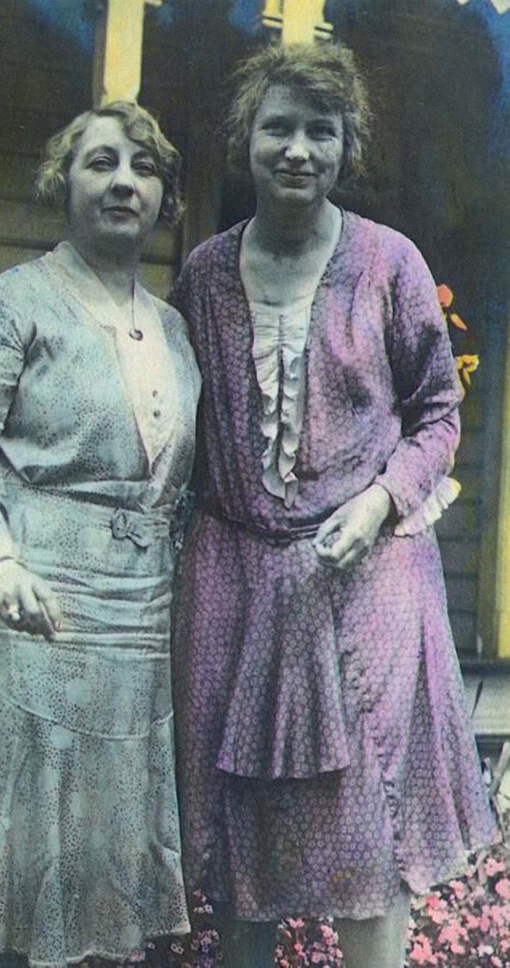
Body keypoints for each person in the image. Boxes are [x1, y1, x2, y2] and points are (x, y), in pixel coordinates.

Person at [170, 43, 498, 968]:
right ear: (248, 139)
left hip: (367, 578)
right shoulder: (201, 275)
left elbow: (438, 414)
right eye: (279, 127)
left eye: (322, 130)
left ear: (347, 146)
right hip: (237, 582)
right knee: (239, 831)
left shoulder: (389, 265)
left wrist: (383, 502)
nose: (298, 149)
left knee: (367, 820)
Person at [0, 101, 201, 968]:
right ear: (62, 181)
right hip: (22, 610)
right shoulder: (11, 303)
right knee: (4, 870)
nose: (123, 183)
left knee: (100, 878)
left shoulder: (173, 328)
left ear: (165, 196)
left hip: (130, 626)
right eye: (100, 163)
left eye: (143, 169)